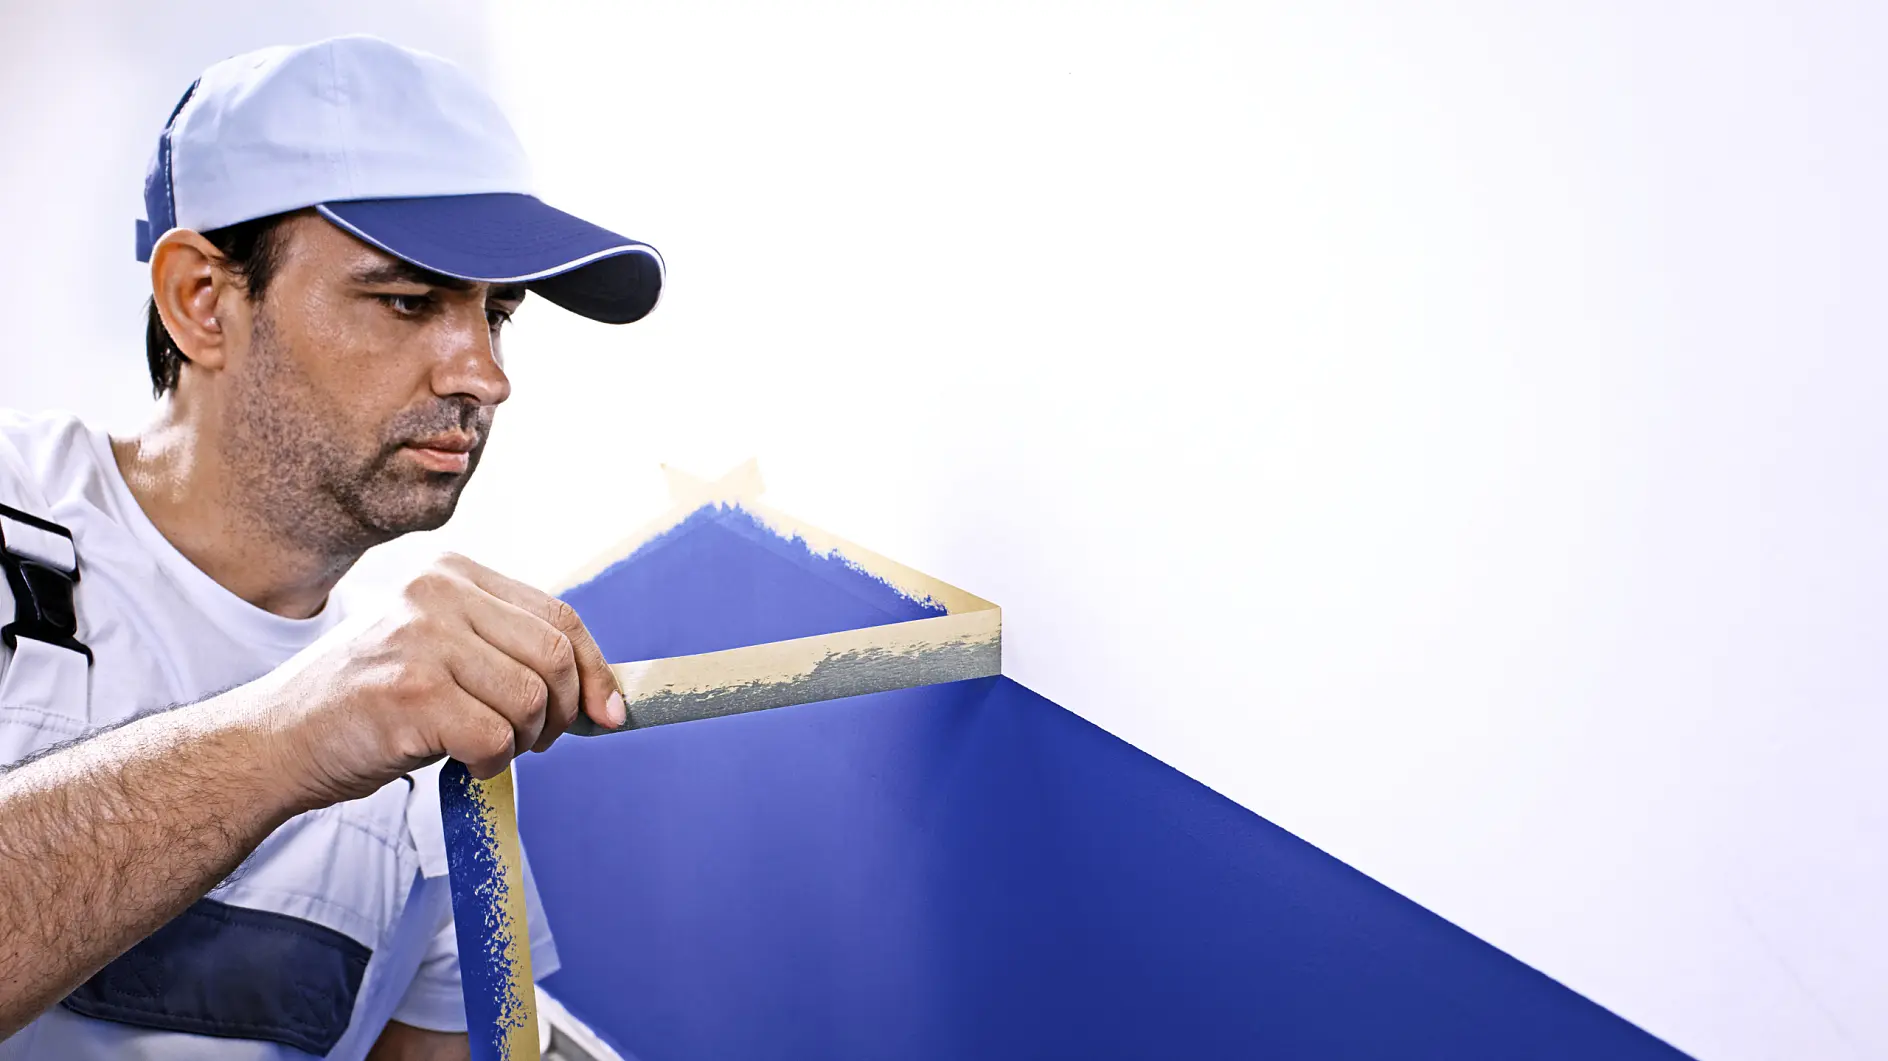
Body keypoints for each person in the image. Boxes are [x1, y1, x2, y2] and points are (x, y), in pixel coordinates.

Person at [0, 35, 663, 1060]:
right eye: (408, 301)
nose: (484, 374)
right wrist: (298, 731)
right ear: (202, 301)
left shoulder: (443, 768)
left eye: (497, 312)